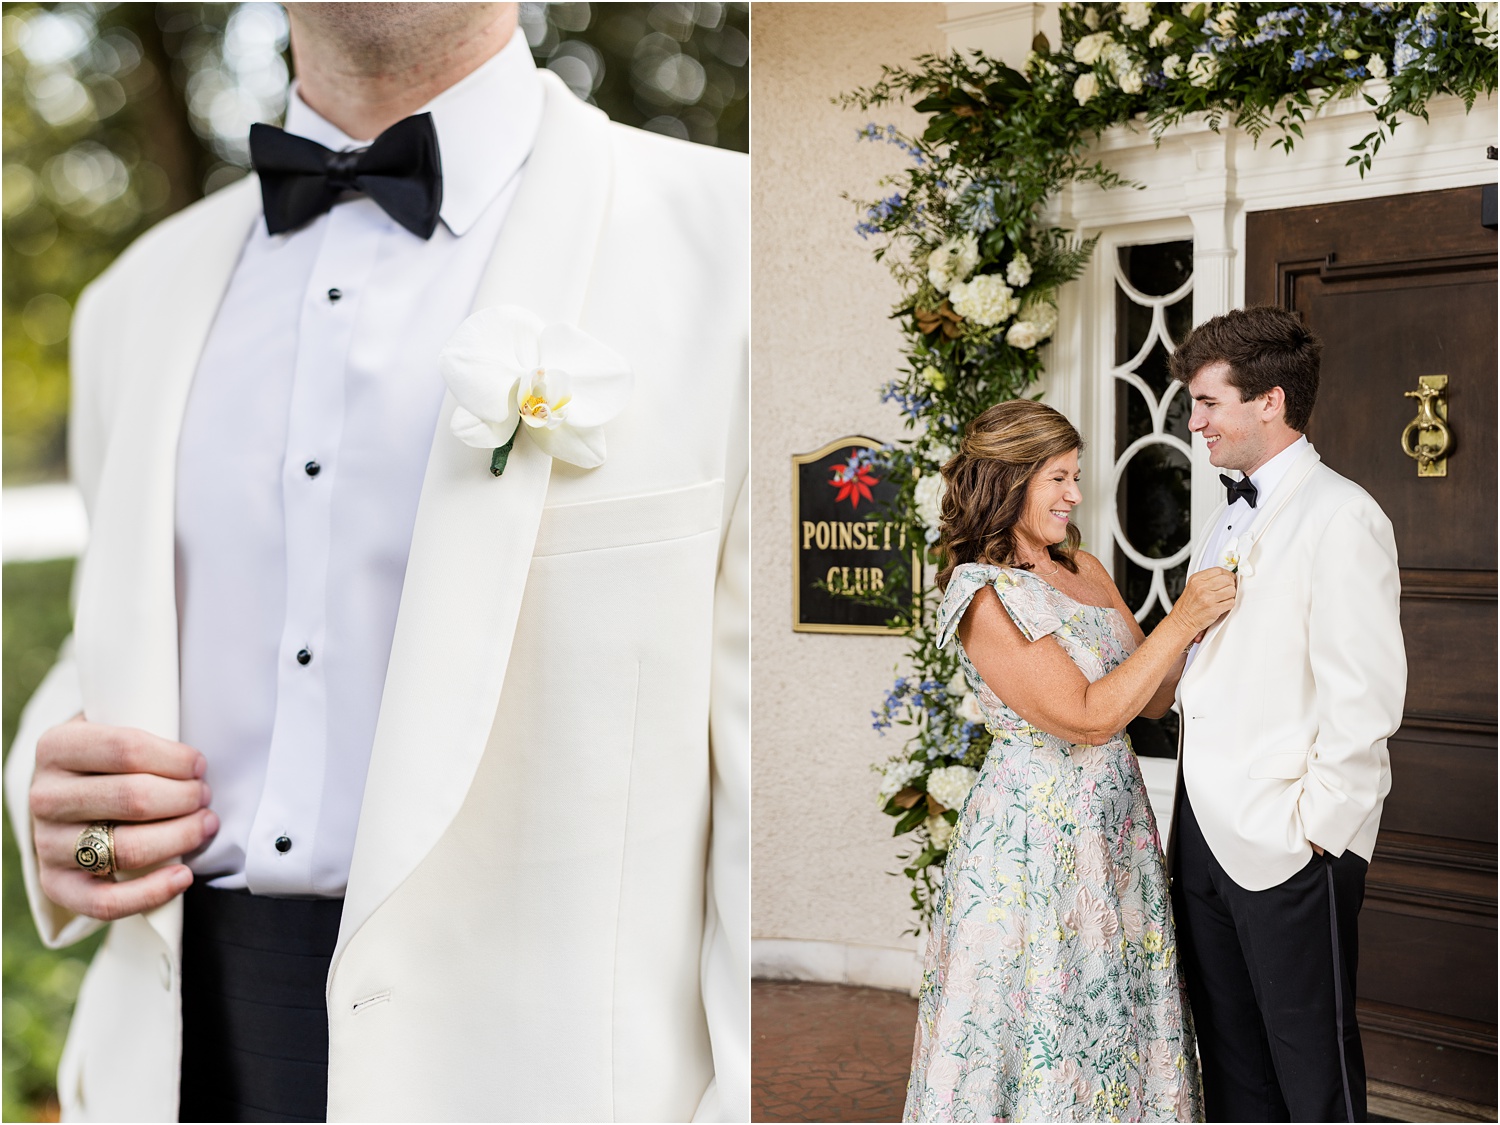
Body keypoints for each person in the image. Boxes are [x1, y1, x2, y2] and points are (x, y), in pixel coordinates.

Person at [5, 4, 748, 1121]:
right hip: (177, 1065)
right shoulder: (131, 300)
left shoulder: (738, 244)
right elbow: (105, 638)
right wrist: (54, 790)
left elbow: (775, 782)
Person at [904, 400, 1235, 1123]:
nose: (1074, 495)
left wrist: (1216, 630)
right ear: (1010, 479)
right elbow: (1086, 716)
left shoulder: (1083, 568)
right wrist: (1182, 617)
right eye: (1057, 477)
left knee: (1115, 1007)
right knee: (1048, 1010)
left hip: (1115, 829)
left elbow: (1154, 697)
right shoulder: (983, 592)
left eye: (1075, 476)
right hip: (1035, 841)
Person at [1169, 306, 1405, 1123]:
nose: (1194, 422)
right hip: (1202, 835)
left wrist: (1320, 831)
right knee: (1234, 1068)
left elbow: (1365, 695)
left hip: (1292, 842)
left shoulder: (1343, 514)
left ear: (1269, 400)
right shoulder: (1224, 515)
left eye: (1208, 402)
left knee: (1316, 1077)